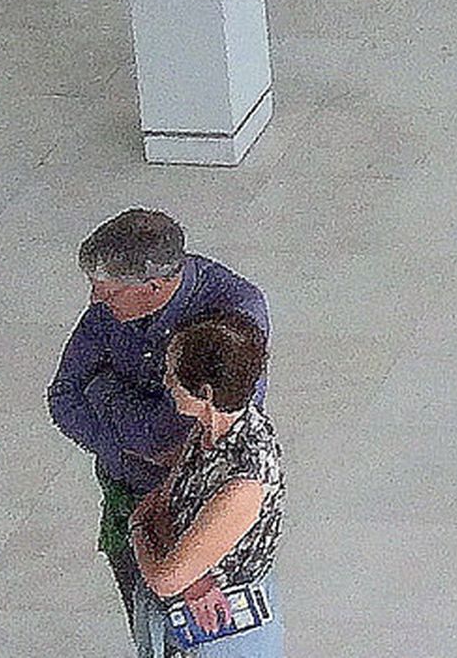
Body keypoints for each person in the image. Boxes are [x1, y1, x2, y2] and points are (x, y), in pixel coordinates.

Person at [49, 209, 269, 658]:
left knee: (195, 638)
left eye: (108, 293)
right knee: (149, 629)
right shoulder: (109, 311)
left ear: (151, 287)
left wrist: (104, 390)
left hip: (195, 530)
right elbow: (64, 398)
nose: (95, 302)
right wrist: (129, 452)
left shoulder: (228, 318)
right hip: (132, 489)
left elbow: (172, 436)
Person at [127, 310, 282, 655]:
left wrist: (137, 526)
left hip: (221, 633)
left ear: (206, 392)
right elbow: (168, 506)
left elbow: (165, 579)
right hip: (190, 615)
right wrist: (192, 582)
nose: (166, 381)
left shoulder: (244, 481)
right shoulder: (210, 429)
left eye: (172, 373)